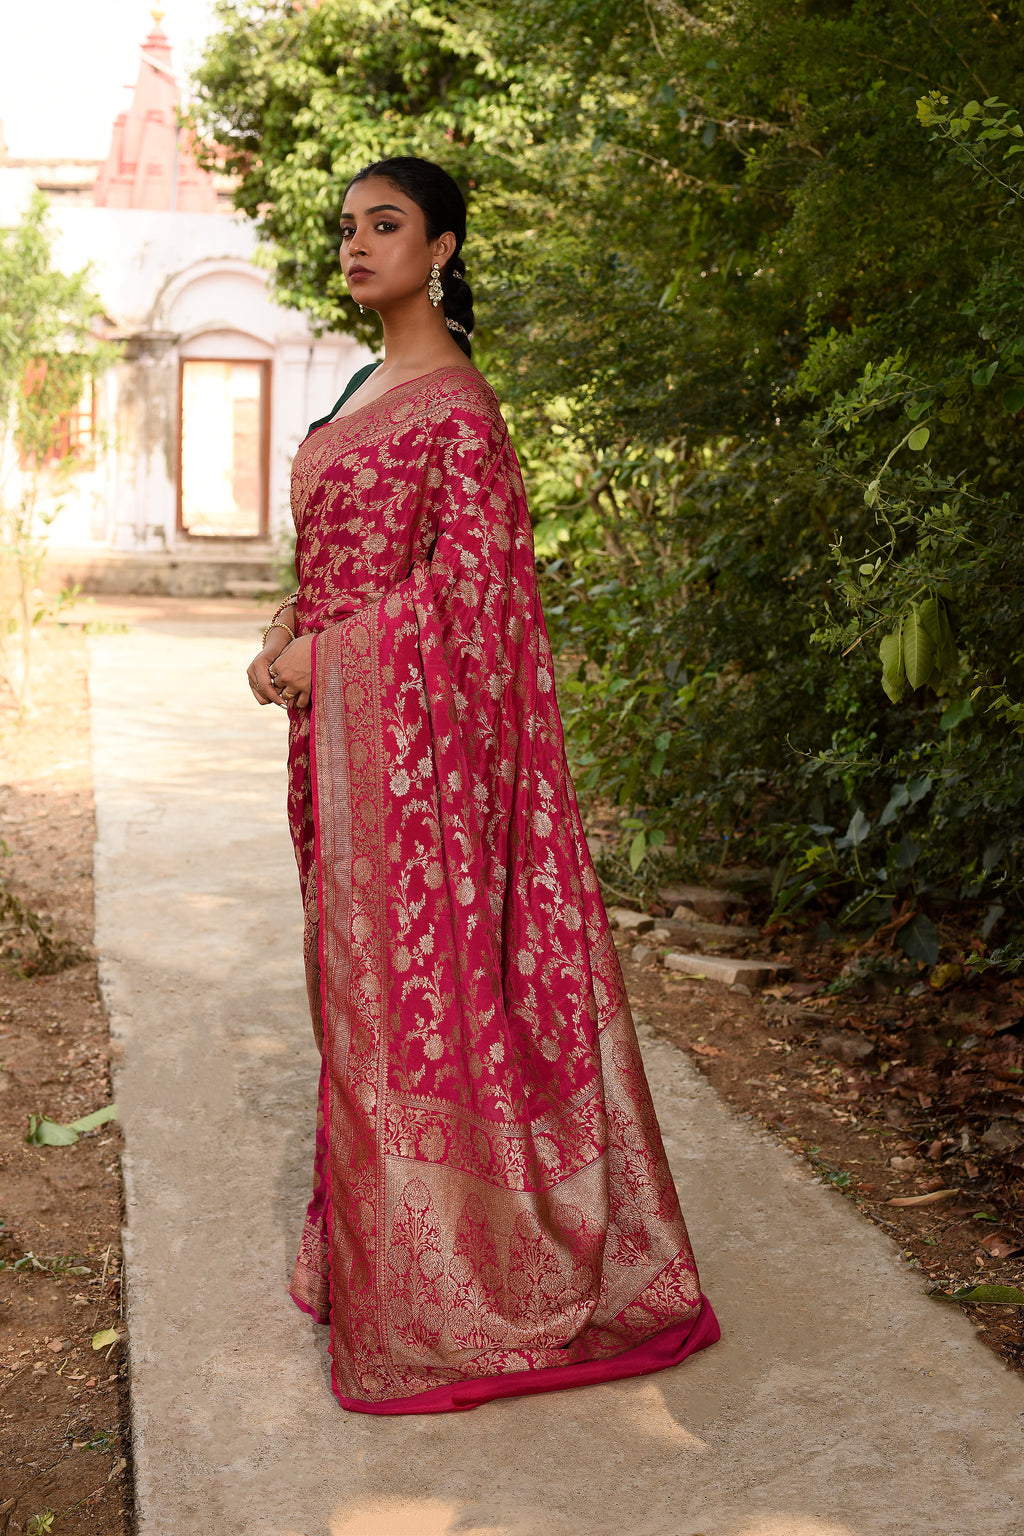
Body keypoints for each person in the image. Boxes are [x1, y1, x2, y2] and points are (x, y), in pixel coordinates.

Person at [246, 156, 719, 1415]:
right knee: (358, 1003)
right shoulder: (361, 388)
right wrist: (291, 623)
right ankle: (386, 1259)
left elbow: (475, 598)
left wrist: (326, 655)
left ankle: (465, 1286)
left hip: (416, 771)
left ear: (442, 248)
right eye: (345, 225)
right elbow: (347, 555)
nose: (355, 245)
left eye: (384, 225)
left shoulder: (458, 407)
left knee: (418, 1002)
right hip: (344, 746)